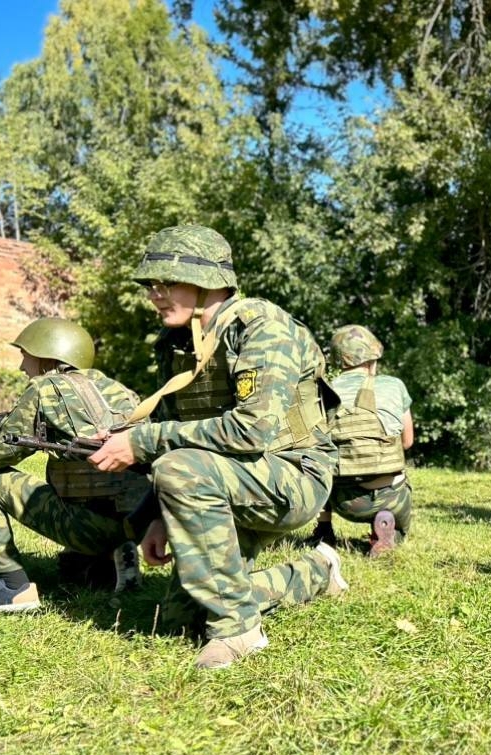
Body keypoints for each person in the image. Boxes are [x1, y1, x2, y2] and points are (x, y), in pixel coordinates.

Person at [89, 225, 347, 670]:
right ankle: (315, 572)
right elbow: (177, 431)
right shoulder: (178, 345)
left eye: (166, 282)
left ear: (207, 280)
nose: (155, 293)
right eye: (151, 284)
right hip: (227, 480)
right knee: (177, 618)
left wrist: (141, 442)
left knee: (179, 472)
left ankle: (238, 629)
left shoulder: (263, 327)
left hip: (293, 475)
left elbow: (251, 432)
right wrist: (157, 514)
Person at [0, 318, 147, 612]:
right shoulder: (115, 388)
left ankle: (12, 587)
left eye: (25, 354)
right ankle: (113, 554)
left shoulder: (45, 389)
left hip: (90, 527)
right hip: (140, 522)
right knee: (73, 569)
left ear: (47, 356)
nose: (22, 366)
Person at [312, 324, 414, 557]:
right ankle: (390, 529)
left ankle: (324, 530)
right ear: (373, 358)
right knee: (400, 489)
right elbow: (407, 442)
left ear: (339, 361)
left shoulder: (323, 390)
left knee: (321, 457)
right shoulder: (394, 385)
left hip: (342, 500)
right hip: (390, 495)